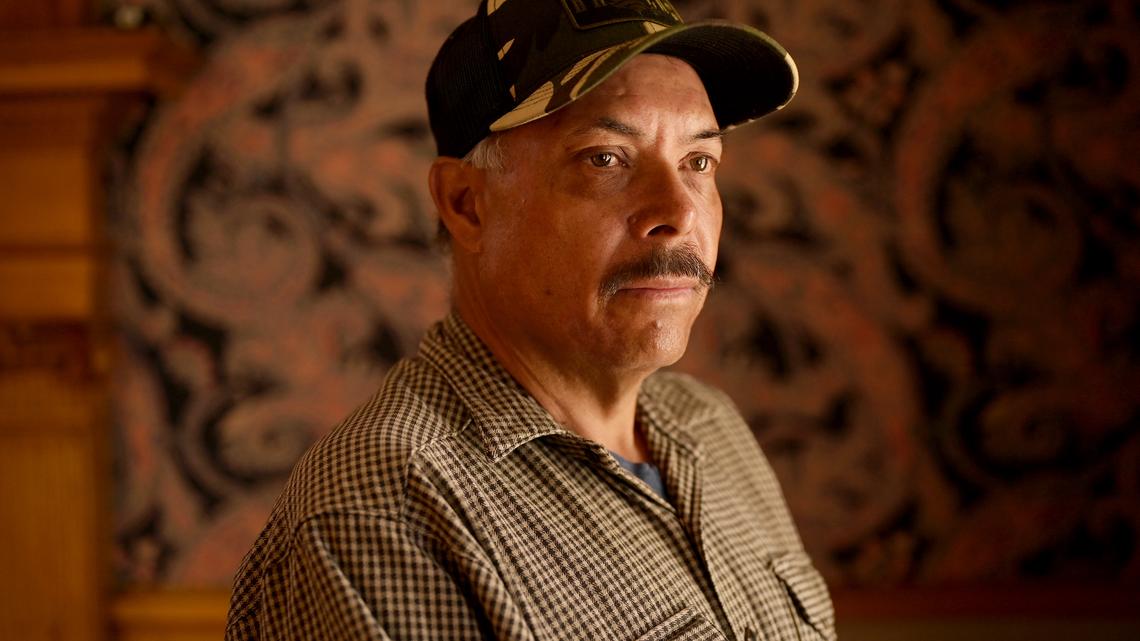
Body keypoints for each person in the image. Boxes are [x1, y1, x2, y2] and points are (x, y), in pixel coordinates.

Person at [226, 1, 834, 639]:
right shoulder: (385, 511)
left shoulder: (710, 428)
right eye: (606, 159)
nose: (679, 213)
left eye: (698, 163)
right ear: (467, 205)